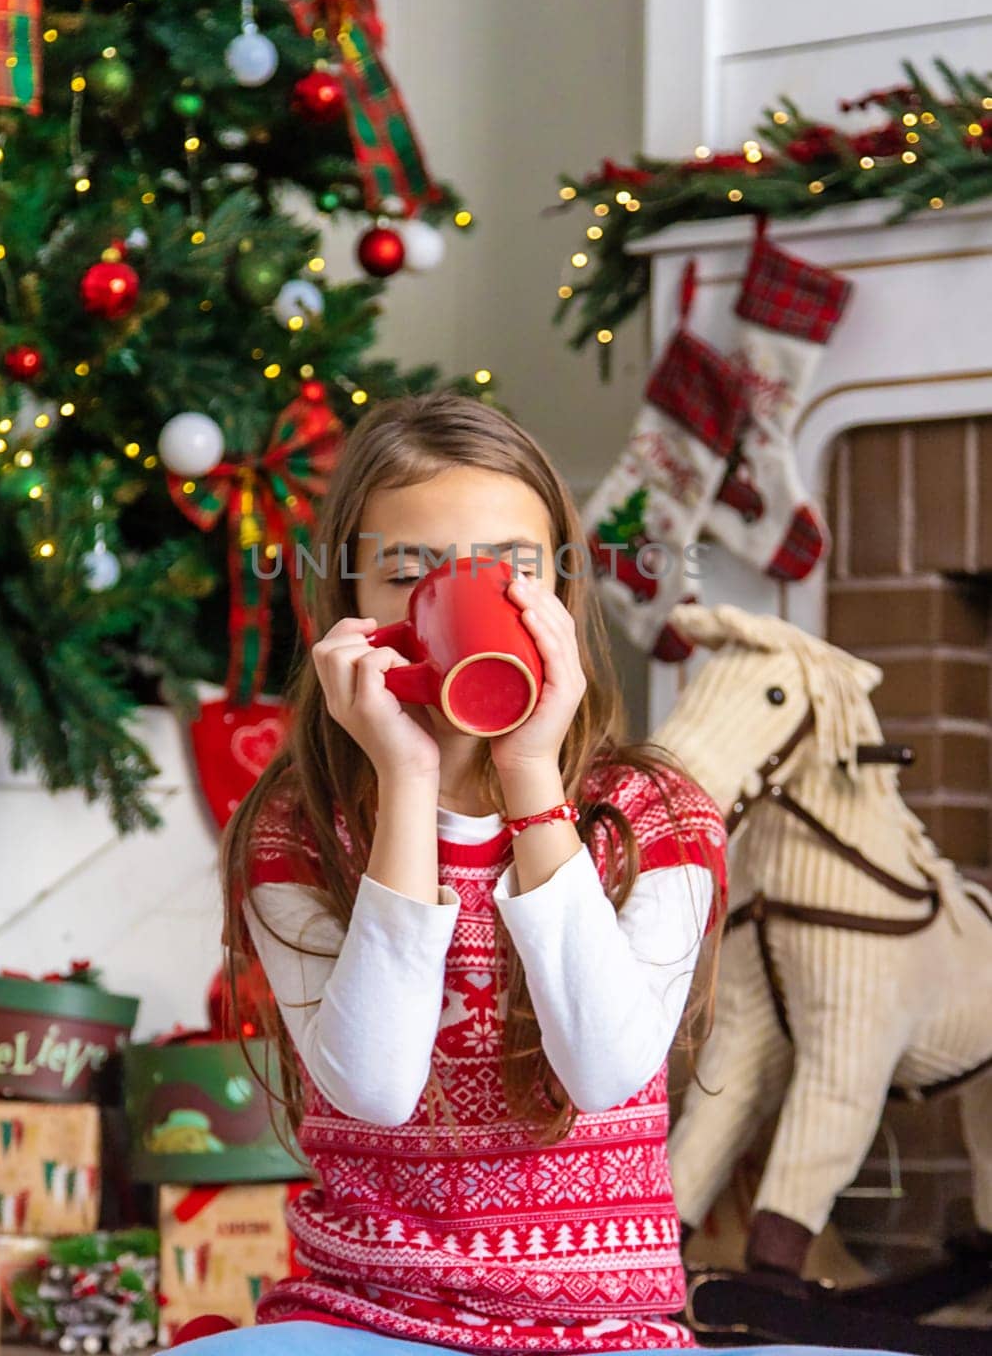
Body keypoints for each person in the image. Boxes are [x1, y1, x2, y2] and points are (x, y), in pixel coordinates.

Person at [200, 391, 879, 1356]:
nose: (463, 599)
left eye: (509, 570)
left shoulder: (659, 817)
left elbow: (603, 1071)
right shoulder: (295, 827)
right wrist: (405, 782)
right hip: (358, 1312)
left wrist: (526, 775)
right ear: (350, 601)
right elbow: (374, 1090)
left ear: (557, 590)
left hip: (598, 1325)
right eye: (408, 573)